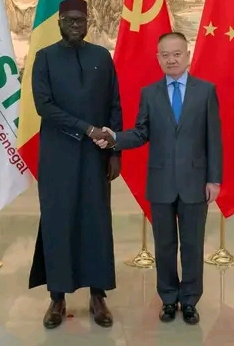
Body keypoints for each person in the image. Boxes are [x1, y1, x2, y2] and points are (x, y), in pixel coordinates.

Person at [94, 31, 222, 325]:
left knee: (192, 245)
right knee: (164, 246)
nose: (171, 59)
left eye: (177, 54)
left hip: (195, 182)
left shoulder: (205, 91)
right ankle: (168, 298)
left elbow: (213, 138)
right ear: (158, 58)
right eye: (165, 55)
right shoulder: (150, 94)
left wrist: (214, 179)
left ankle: (189, 301)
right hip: (161, 183)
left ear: (187, 56)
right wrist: (115, 138)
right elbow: (141, 133)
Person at [28, 0, 121, 329]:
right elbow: (44, 106)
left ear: (88, 23)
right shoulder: (44, 58)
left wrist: (115, 151)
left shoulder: (101, 57)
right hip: (58, 154)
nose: (74, 25)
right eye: (68, 20)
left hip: (96, 154)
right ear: (59, 23)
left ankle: (98, 296)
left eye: (79, 20)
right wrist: (86, 128)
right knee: (58, 220)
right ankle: (57, 297)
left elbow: (114, 104)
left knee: (96, 220)